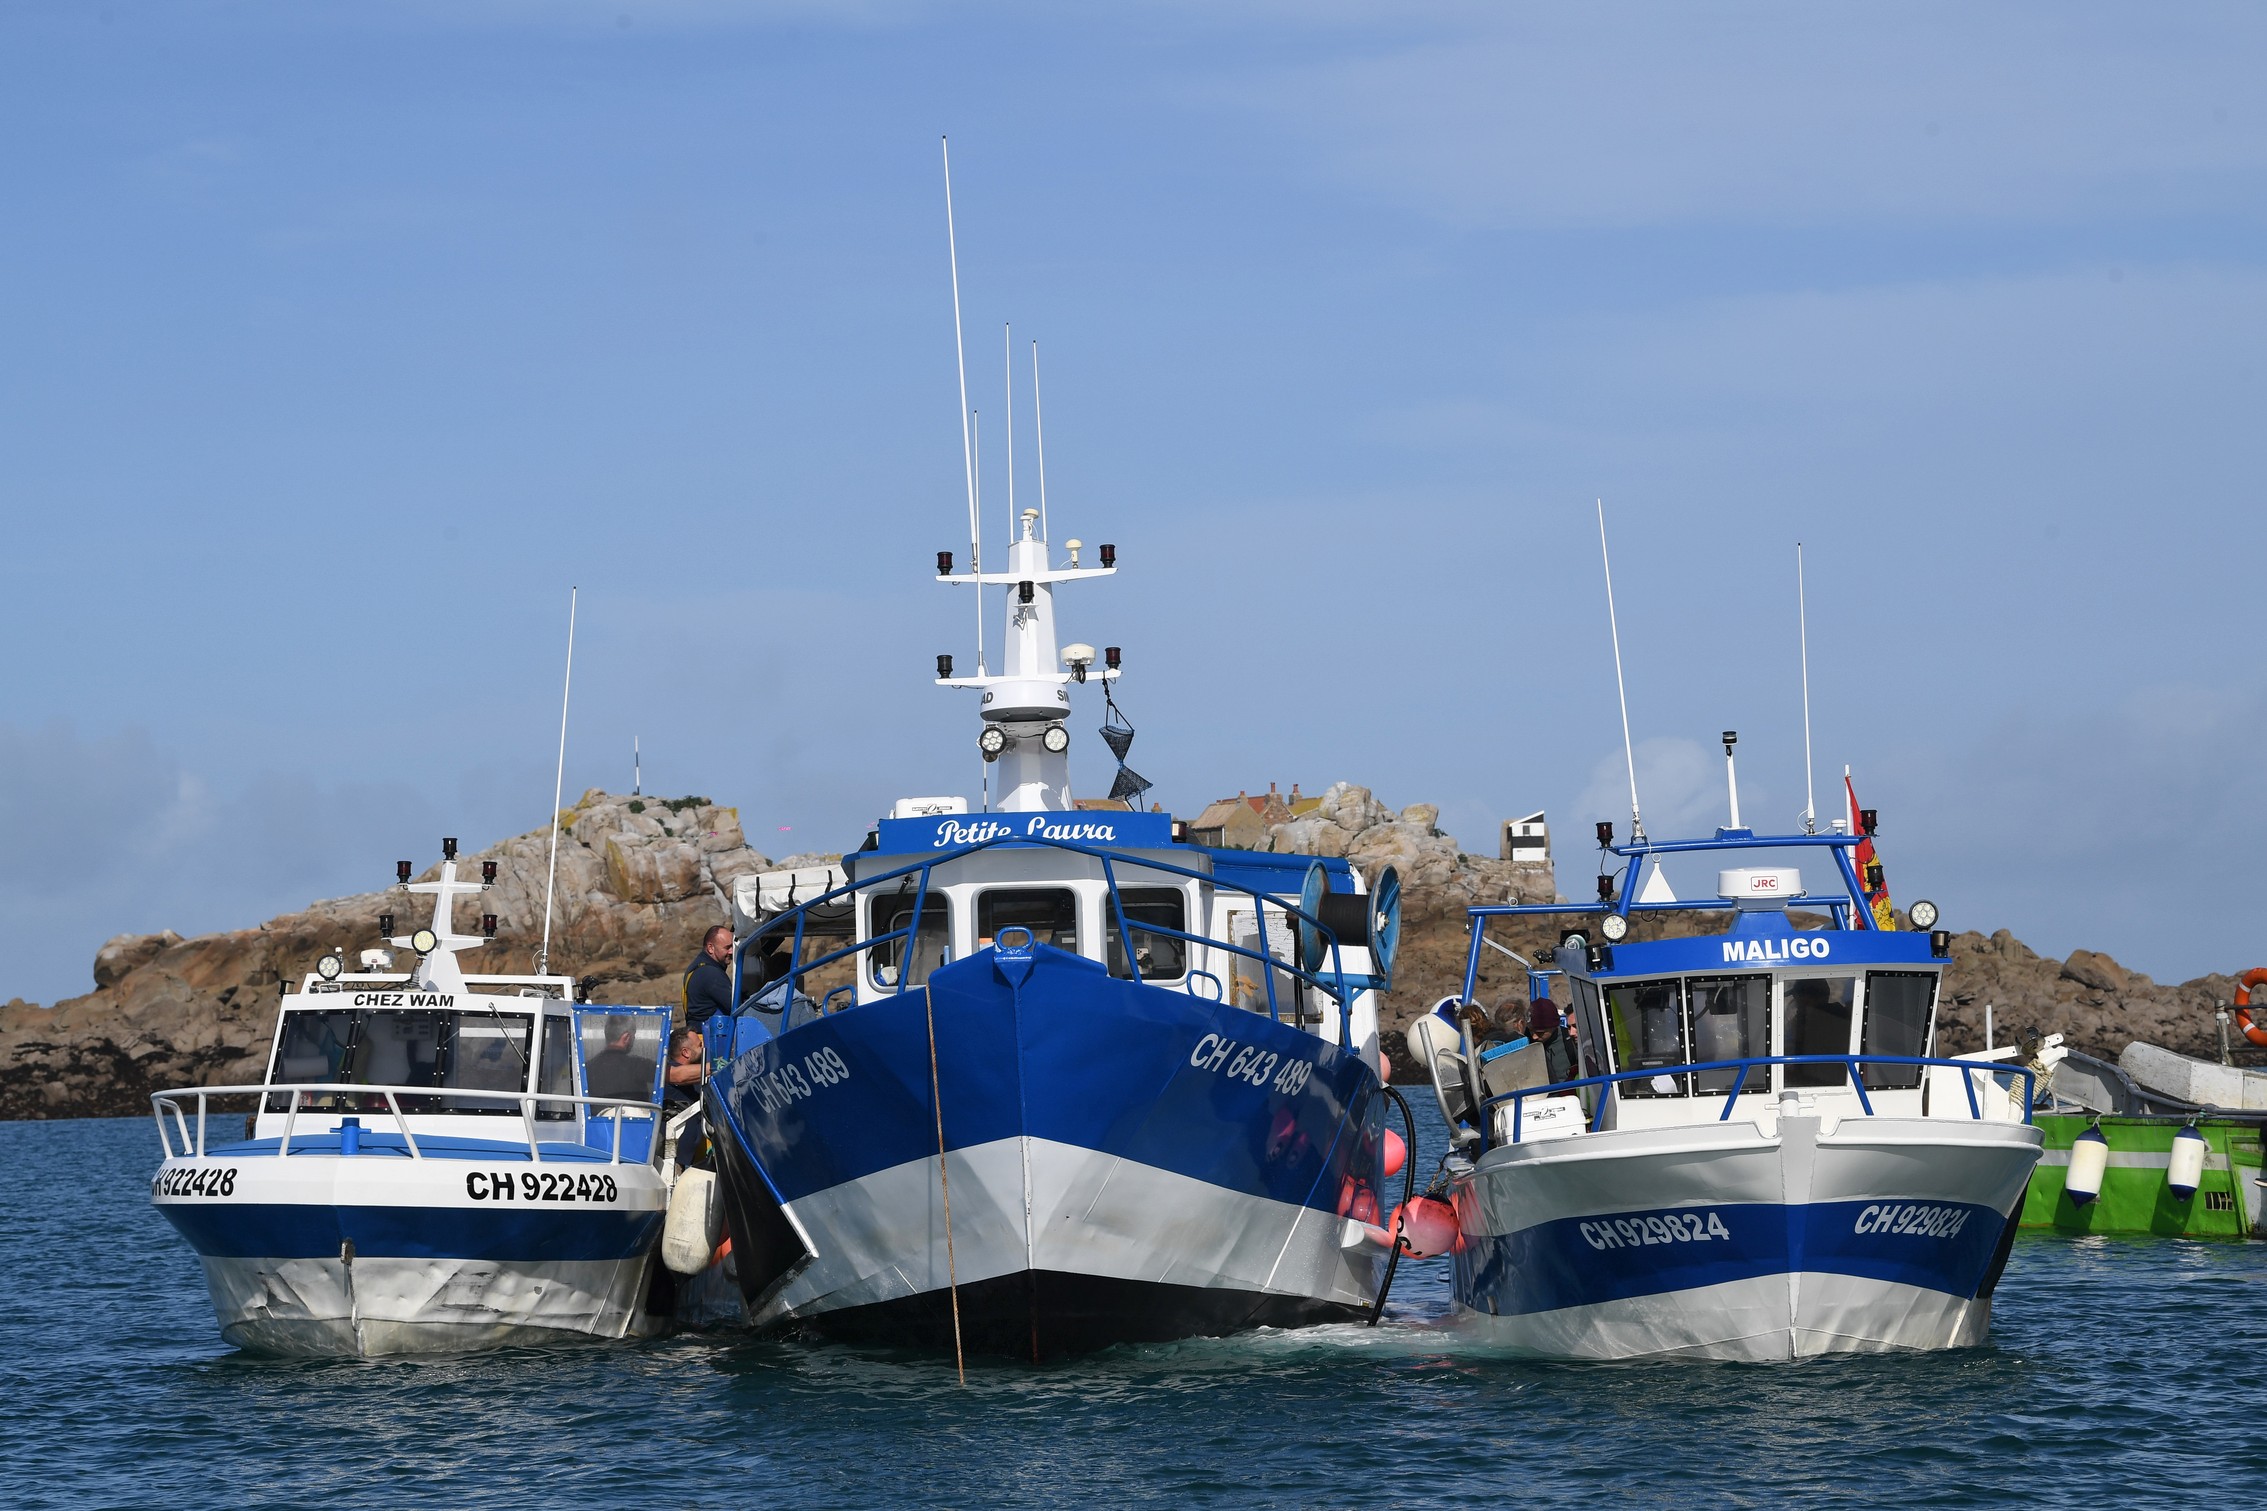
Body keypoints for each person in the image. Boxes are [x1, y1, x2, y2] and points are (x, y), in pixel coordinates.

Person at [584, 1015, 658, 1103]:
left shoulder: (586, 1068)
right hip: (633, 1116)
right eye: (633, 1034)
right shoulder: (637, 1065)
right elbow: (674, 1075)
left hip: (594, 1116)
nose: (634, 1038)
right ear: (626, 1037)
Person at [682, 925, 736, 1034]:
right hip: (710, 1041)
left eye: (732, 947)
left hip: (697, 1034)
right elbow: (737, 1007)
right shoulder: (710, 973)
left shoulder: (696, 967)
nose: (731, 952)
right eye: (727, 947)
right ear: (710, 948)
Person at [1528, 998, 1575, 1086]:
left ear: (1554, 1027)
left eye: (1540, 1033)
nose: (1534, 1036)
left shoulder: (1570, 1040)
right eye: (1531, 1030)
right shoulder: (1524, 1040)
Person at [662, 1026, 704, 1112]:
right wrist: (716, 1067)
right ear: (686, 1052)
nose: (704, 1047)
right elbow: (679, 1075)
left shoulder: (698, 1072)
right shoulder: (669, 1070)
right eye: (700, 1045)